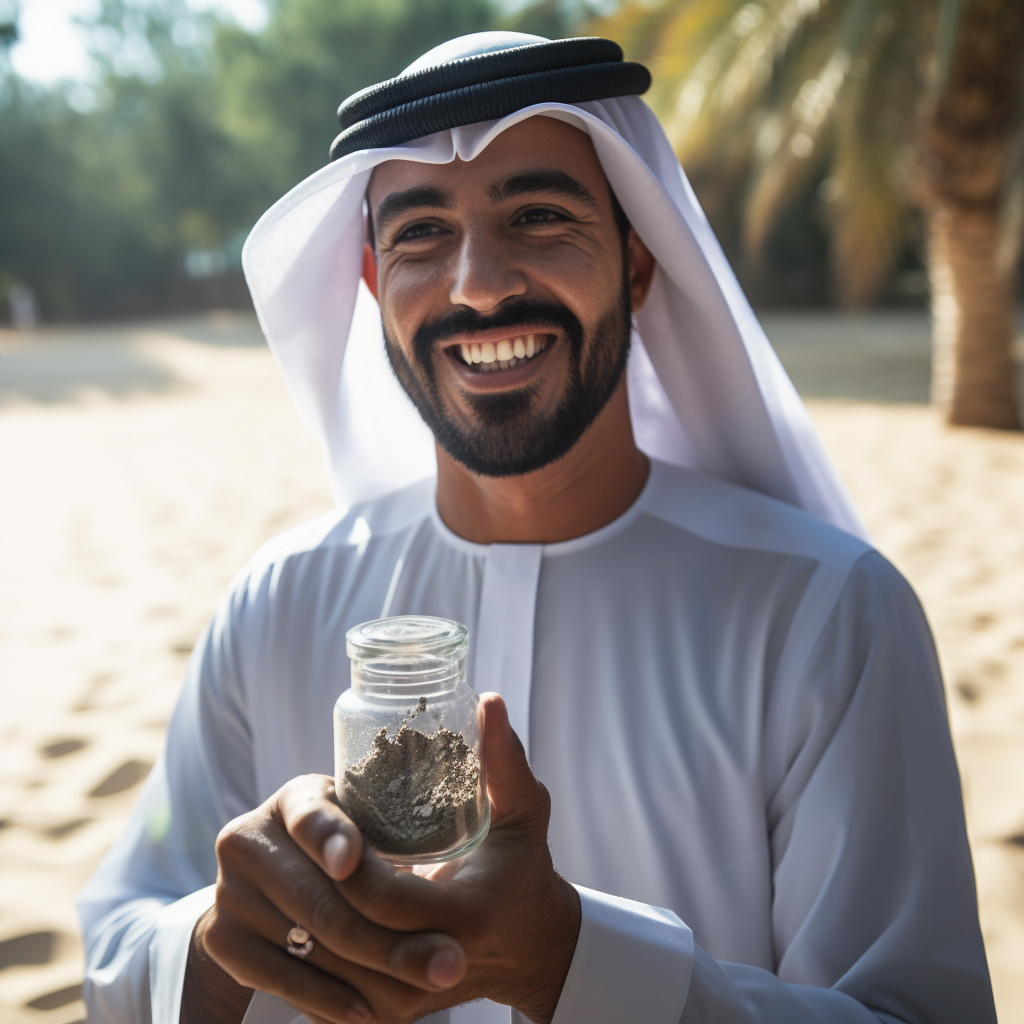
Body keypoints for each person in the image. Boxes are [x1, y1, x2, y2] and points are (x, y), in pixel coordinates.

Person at [77, 32, 996, 1024]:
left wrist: (571, 962)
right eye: (420, 235)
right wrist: (216, 943)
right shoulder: (278, 597)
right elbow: (122, 945)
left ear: (640, 261)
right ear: (375, 289)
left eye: (539, 215)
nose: (477, 285)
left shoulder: (824, 614)